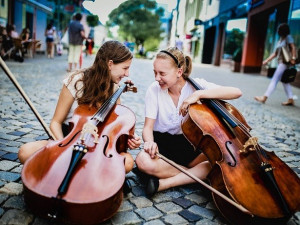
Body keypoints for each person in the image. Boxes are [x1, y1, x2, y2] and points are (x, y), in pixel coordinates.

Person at [18, 40, 141, 175]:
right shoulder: (76, 81)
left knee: (128, 162)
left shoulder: (115, 90)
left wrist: (130, 138)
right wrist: (62, 148)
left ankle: (70, 173)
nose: (127, 74)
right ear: (110, 64)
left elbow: (115, 127)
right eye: (125, 68)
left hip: (97, 145)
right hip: (67, 138)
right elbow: (56, 122)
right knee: (25, 152)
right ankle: (87, 175)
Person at [135, 47, 242, 196]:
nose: (157, 78)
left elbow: (236, 92)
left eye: (162, 73)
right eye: (155, 72)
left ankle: (165, 183)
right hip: (162, 146)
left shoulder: (196, 85)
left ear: (179, 72)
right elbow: (148, 128)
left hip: (190, 146)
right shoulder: (154, 89)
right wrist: (149, 142)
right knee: (142, 160)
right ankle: (194, 176)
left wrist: (199, 94)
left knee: (218, 161)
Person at [254, 23, 297, 106]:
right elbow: (275, 53)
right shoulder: (280, 40)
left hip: (285, 63)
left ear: (283, 31)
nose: (277, 31)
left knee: (274, 80)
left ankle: (264, 97)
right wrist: (267, 60)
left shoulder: (288, 38)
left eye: (279, 29)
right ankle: (291, 99)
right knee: (285, 82)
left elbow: (293, 47)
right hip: (281, 62)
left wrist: (293, 58)